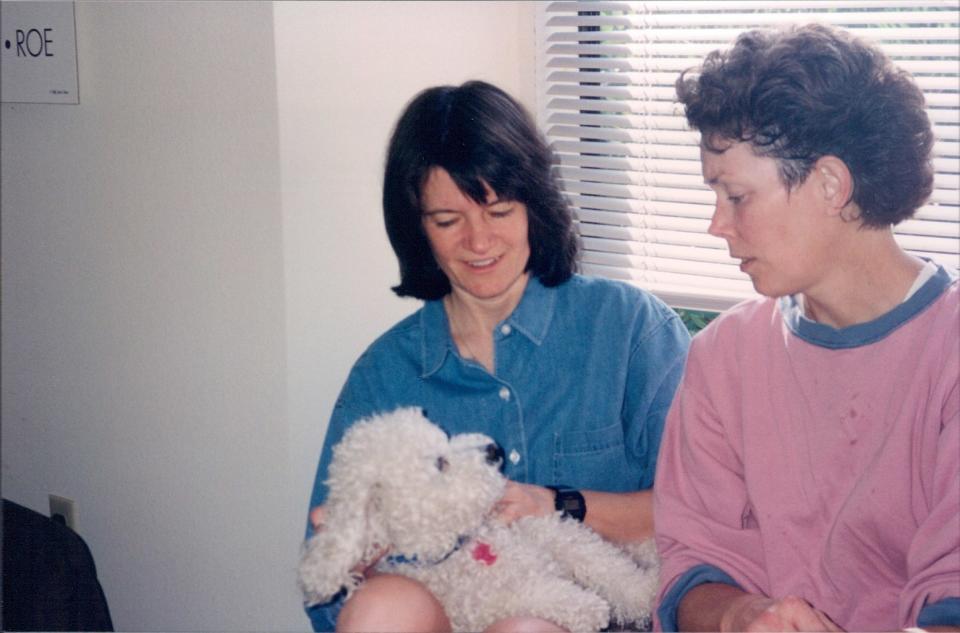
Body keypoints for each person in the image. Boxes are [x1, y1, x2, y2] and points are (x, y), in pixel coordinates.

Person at [304, 80, 691, 632]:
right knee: (378, 608)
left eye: (499, 211)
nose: (478, 242)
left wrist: (559, 505)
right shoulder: (384, 374)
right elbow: (327, 597)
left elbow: (705, 515)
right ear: (416, 227)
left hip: (599, 614)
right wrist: (356, 557)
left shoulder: (630, 330)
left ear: (535, 206)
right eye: (447, 221)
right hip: (454, 609)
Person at [653, 23, 959, 633]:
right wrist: (740, 616)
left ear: (829, 184)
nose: (718, 225)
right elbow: (691, 567)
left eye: (736, 196)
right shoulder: (724, 356)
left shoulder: (948, 355)